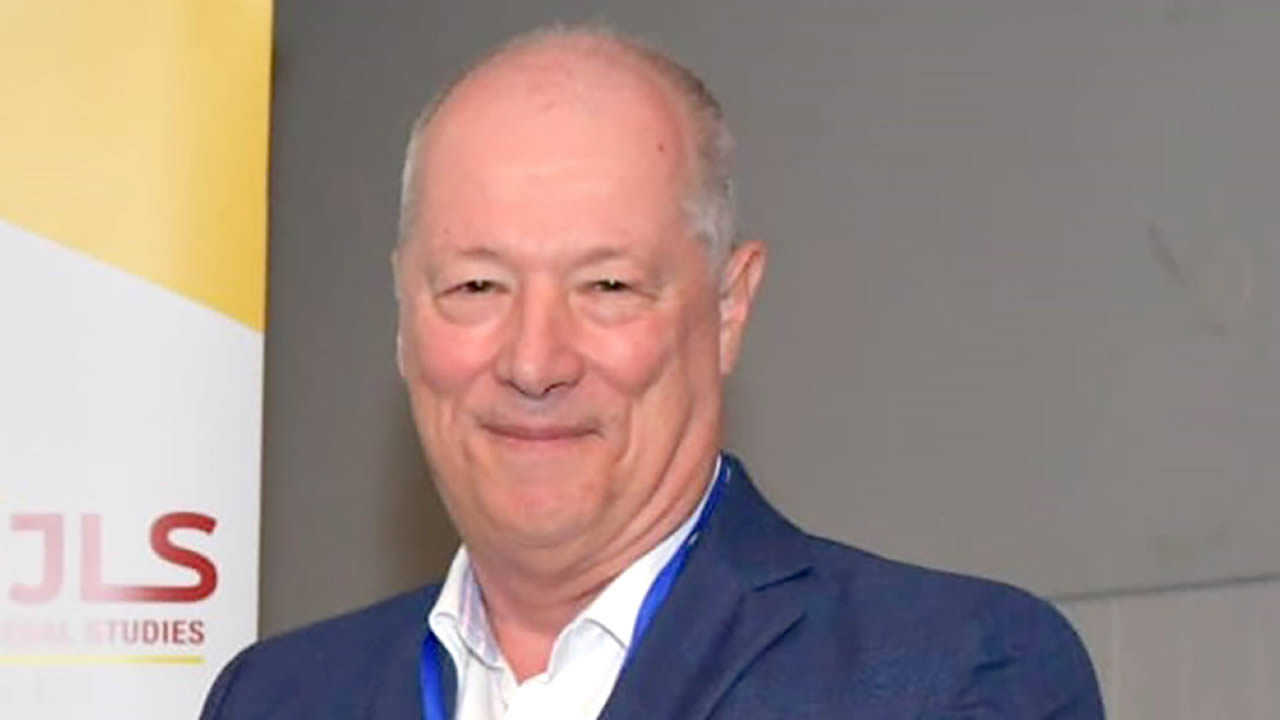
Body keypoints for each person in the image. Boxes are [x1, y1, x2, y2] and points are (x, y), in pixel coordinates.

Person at [200, 25, 1104, 719]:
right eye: (477, 286)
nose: (534, 361)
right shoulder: (276, 700)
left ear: (728, 308)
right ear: (404, 312)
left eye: (608, 286)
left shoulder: (950, 678)